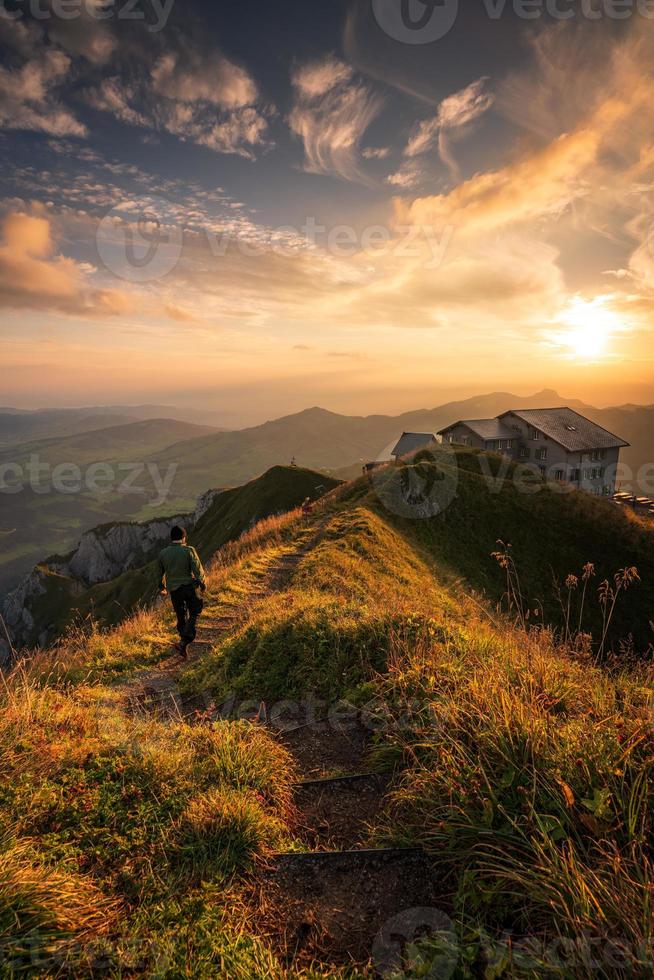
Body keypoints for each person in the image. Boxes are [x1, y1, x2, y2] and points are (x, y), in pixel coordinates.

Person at [158, 525, 206, 658]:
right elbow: (198, 570)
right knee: (195, 611)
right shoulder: (189, 550)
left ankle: (182, 642)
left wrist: (162, 587)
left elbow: (160, 573)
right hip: (189, 587)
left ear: (171, 538)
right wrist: (202, 583)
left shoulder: (163, 553)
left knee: (180, 614)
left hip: (174, 589)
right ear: (183, 537)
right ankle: (185, 640)